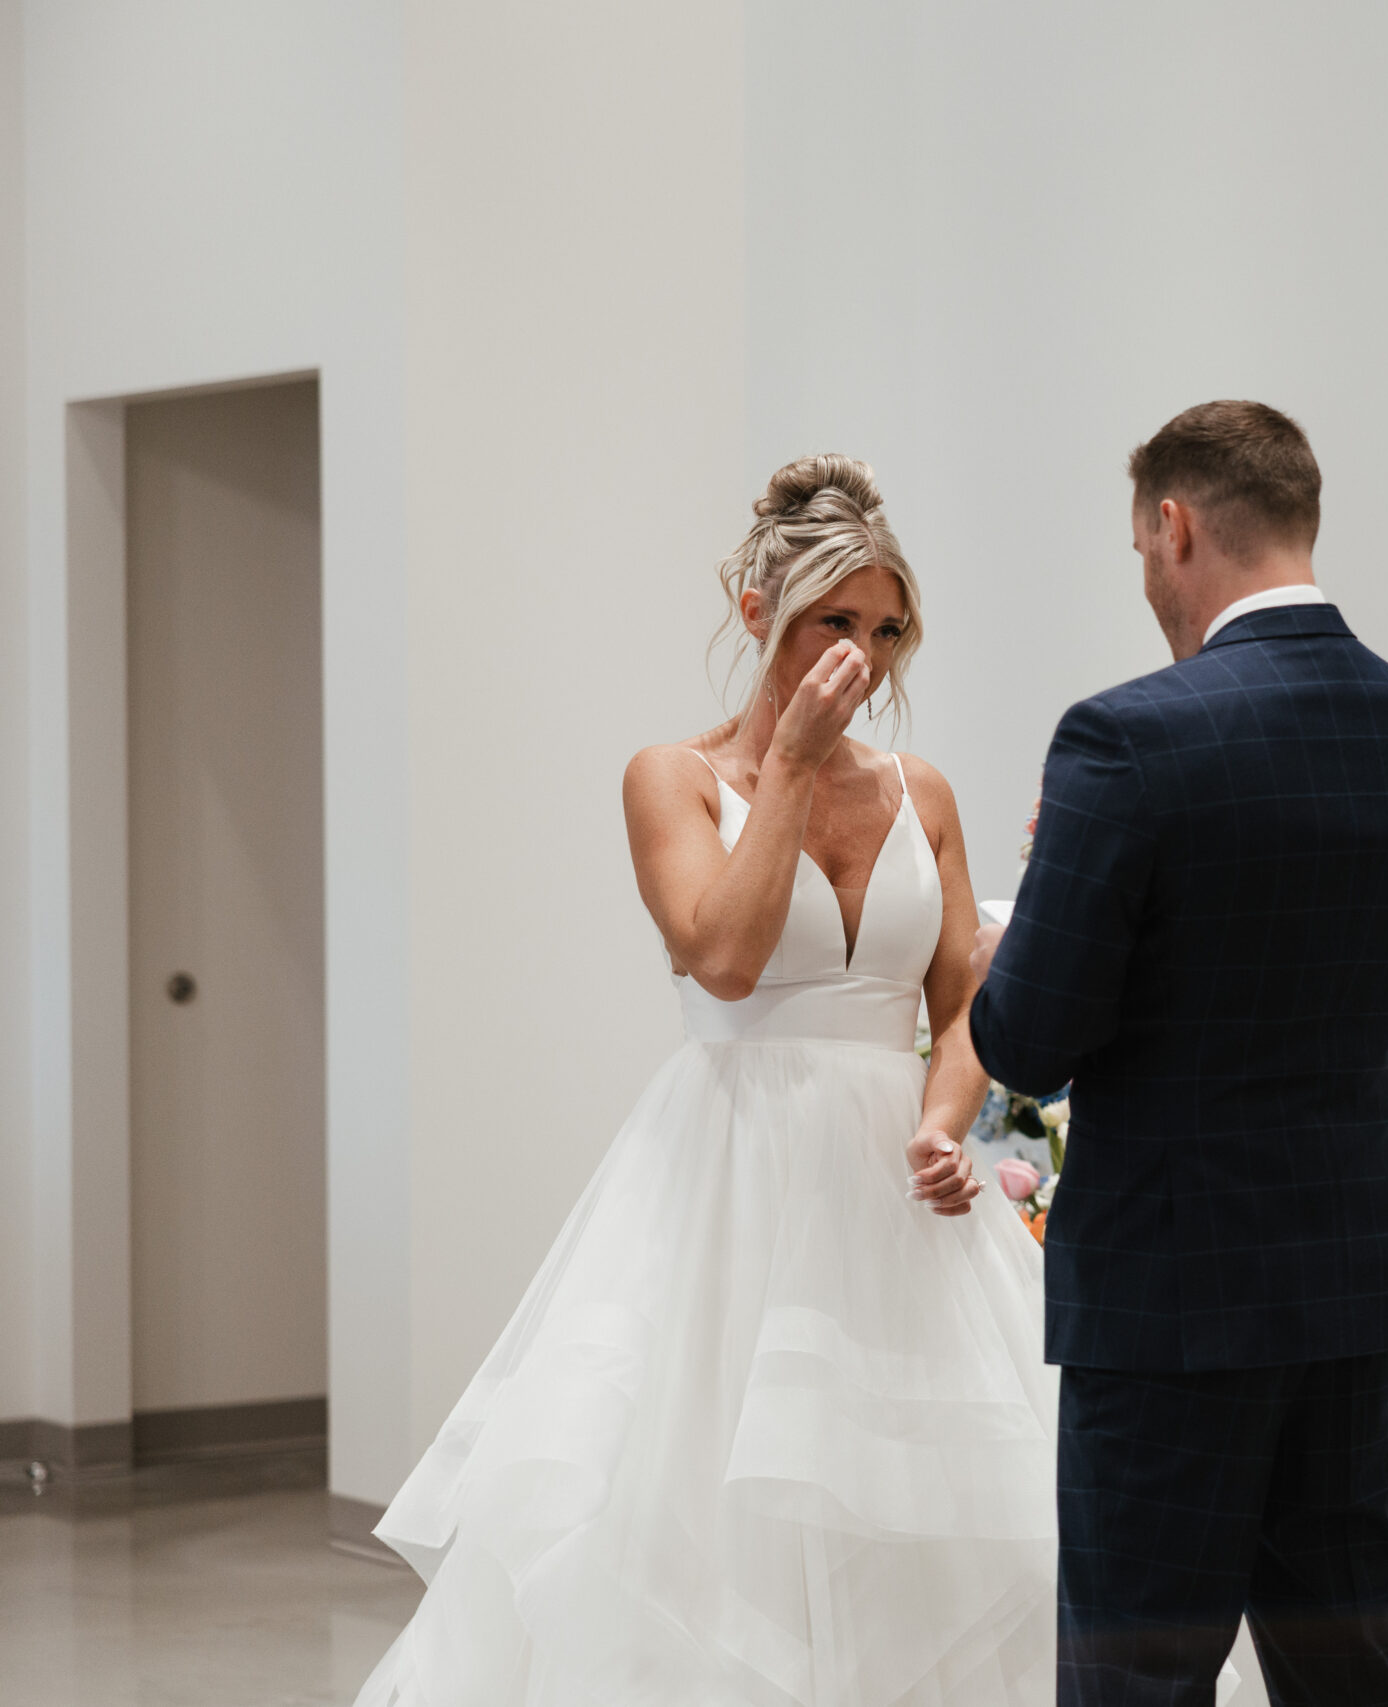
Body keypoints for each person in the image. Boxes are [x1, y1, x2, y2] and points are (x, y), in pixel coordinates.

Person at [355, 457, 1056, 1706]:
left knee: (913, 1512)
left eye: (886, 630)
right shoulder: (670, 777)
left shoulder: (923, 792)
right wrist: (788, 766)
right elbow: (723, 958)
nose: (862, 656)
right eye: (833, 622)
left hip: (896, 1196)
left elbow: (962, 1008)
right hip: (732, 1177)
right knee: (703, 1501)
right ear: (757, 613)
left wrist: (946, 1127)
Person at [970, 401, 1388, 1706]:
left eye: (1140, 549)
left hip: (1169, 1294)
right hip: (1348, 1280)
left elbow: (1026, 1039)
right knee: (1347, 1668)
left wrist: (1015, 938)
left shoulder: (1127, 736)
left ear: (1175, 526)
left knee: (1137, 1677)